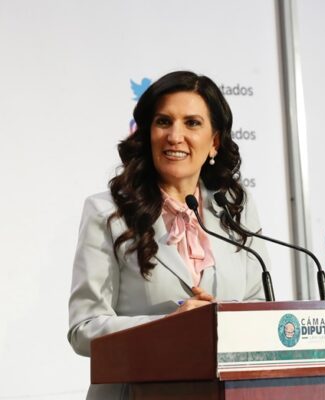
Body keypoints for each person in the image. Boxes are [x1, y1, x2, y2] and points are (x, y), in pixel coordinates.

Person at [67, 71, 269, 399]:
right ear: (148, 133)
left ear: (214, 141)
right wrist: (172, 327)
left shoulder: (236, 207)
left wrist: (221, 320)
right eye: (164, 122)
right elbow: (84, 329)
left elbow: (260, 308)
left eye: (192, 123)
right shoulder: (107, 212)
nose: (175, 136)